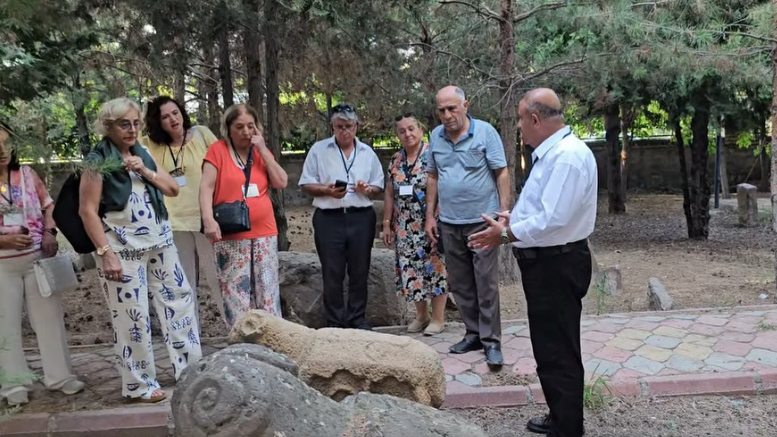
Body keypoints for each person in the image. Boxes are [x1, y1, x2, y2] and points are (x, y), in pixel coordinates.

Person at [468, 88, 597, 437]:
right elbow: (545, 209)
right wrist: (515, 217)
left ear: (536, 119)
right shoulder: (554, 154)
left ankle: (568, 428)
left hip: (558, 263)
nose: (520, 128)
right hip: (550, 260)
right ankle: (560, 415)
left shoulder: (566, 157)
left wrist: (505, 234)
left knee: (558, 349)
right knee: (550, 345)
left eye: (521, 121)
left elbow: (552, 220)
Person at [79, 97, 202, 403]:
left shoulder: (142, 152)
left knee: (180, 301)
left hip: (160, 242)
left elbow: (172, 188)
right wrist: (105, 252)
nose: (132, 129)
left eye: (136, 123)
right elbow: (87, 211)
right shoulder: (97, 161)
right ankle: (139, 384)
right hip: (122, 249)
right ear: (108, 127)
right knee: (132, 317)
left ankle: (190, 369)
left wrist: (144, 170)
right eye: (125, 124)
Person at [424, 86, 510, 367]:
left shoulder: (485, 132)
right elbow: (433, 177)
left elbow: (501, 172)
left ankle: (492, 342)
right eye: (441, 110)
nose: (447, 115)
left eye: (452, 108)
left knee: (485, 283)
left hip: (481, 221)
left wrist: (503, 214)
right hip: (449, 222)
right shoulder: (435, 136)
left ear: (465, 105)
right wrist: (430, 216)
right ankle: (473, 333)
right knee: (460, 285)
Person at [0, 125, 84, 406]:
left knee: (49, 318)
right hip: (2, 265)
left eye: (5, 143)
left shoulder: (26, 175)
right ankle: (14, 385)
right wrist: (5, 243)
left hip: (37, 260)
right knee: (5, 326)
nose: (1, 150)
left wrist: (49, 232)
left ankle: (60, 376)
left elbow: (48, 205)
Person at [199, 103, 288, 328]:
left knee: (267, 293)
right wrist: (208, 220)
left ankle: (271, 340)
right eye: (239, 127)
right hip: (232, 234)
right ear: (228, 128)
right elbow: (206, 188)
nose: (246, 132)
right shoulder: (217, 151)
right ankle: (242, 344)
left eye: (251, 126)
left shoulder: (260, 152)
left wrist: (264, 150)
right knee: (236, 294)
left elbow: (281, 181)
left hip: (264, 233)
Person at [299, 103, 384, 330]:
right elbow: (306, 183)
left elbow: (378, 186)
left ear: (356, 127)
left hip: (361, 217)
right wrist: (327, 191)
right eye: (339, 127)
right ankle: (334, 321)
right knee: (331, 271)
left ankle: (357, 318)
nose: (344, 131)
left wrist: (367, 190)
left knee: (360, 269)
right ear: (332, 127)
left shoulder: (367, 153)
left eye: (349, 126)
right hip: (329, 219)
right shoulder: (319, 150)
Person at [141, 96, 221, 323]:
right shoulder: (150, 145)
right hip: (173, 222)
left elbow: (222, 165)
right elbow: (128, 140)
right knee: (183, 282)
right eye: (165, 117)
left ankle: (235, 332)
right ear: (158, 122)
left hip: (207, 219)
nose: (172, 119)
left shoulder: (202, 134)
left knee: (218, 278)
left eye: (175, 113)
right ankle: (190, 338)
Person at [382, 114, 447, 335]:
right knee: (411, 269)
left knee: (435, 268)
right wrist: (386, 223)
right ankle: (421, 316)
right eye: (402, 131)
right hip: (404, 226)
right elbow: (390, 192)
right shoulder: (396, 159)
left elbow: (442, 186)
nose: (407, 134)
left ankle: (438, 318)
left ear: (420, 129)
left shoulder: (433, 154)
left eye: (411, 128)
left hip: (429, 222)